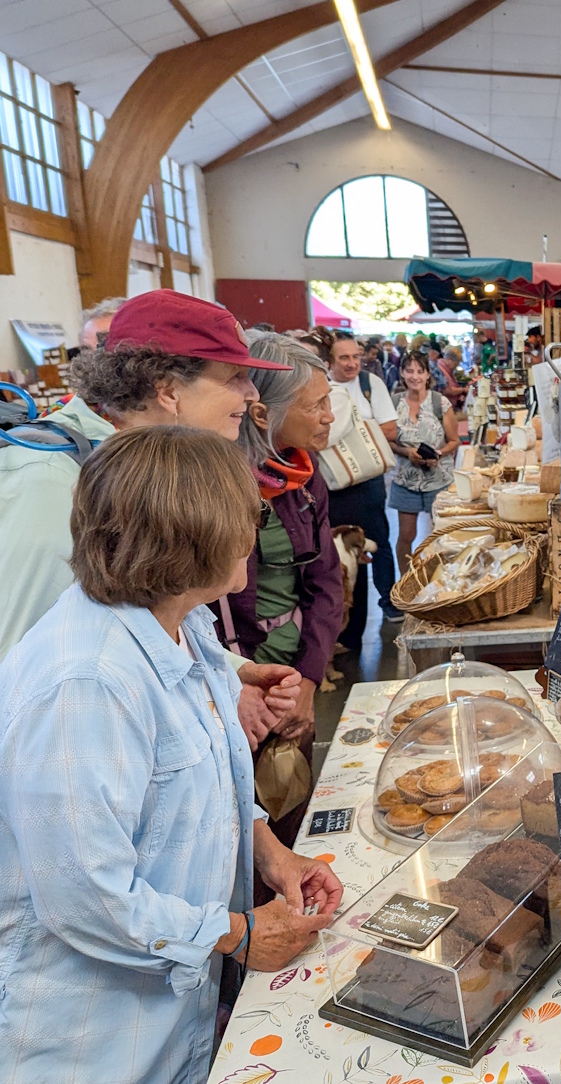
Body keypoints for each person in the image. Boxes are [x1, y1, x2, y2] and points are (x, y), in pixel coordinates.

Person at [0, 426, 342, 1083]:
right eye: (249, 512)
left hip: (174, 1016)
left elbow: (208, 782)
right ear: (193, 533)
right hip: (93, 1044)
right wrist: (238, 934)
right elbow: (86, 895)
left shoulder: (185, 622)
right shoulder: (85, 681)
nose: (257, 528)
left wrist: (272, 857)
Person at [0, 290, 284, 670]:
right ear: (167, 391)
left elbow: (151, 614)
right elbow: (24, 659)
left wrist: (231, 673)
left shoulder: (157, 467)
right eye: (235, 376)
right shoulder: (50, 478)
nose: (251, 394)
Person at [222, 332, 344, 851]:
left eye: (328, 402)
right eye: (315, 405)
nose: (328, 418)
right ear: (260, 413)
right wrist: (239, 687)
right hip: (231, 689)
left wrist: (309, 680)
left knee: (291, 813)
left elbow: (324, 582)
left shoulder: (306, 480)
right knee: (234, 833)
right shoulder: (216, 486)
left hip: (292, 677)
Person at [325, 328, 403, 634]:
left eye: (356, 356)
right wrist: (362, 429)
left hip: (368, 482)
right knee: (342, 552)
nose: (352, 363)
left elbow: (391, 430)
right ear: (329, 361)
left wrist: (340, 433)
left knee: (379, 541)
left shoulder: (372, 384)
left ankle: (389, 601)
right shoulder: (322, 388)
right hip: (333, 487)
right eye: (343, 357)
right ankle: (350, 623)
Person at [390, 353, 461, 573]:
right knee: (405, 536)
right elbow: (388, 441)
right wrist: (406, 452)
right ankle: (406, 582)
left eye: (420, 371)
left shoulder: (440, 403)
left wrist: (437, 454)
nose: (415, 376)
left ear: (428, 374)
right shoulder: (394, 403)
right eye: (409, 371)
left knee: (442, 533)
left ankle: (443, 579)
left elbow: (454, 441)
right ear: (402, 373)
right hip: (405, 481)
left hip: (438, 480)